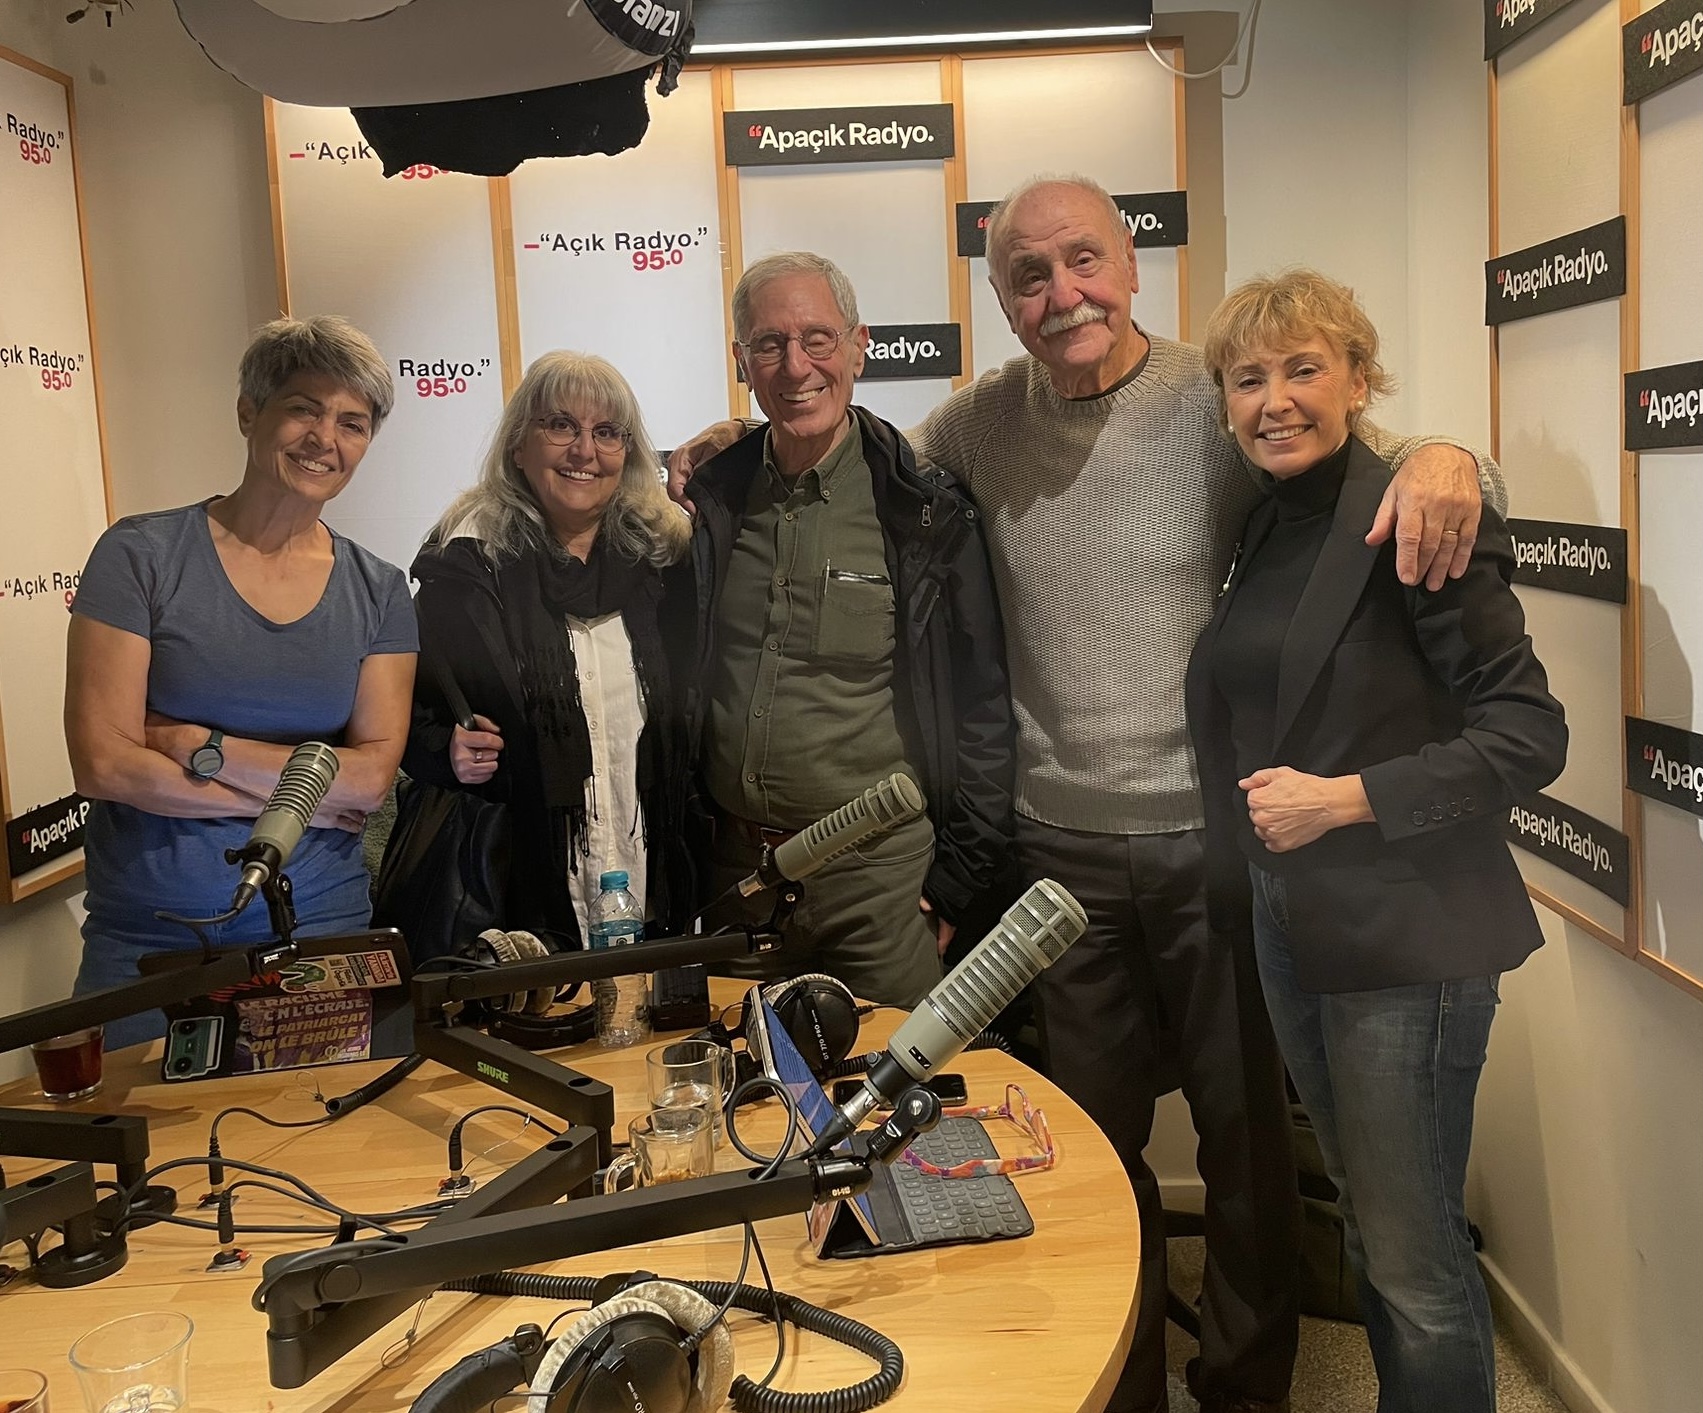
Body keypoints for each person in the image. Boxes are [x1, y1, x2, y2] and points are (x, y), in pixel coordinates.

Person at [669, 177, 1506, 1413]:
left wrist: (1448, 455)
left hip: (1214, 846)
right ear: (1000, 298)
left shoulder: (1213, 403)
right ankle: (1119, 1393)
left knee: (1246, 1152)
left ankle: (1242, 1392)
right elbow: (847, 456)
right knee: (1087, 1158)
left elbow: (1355, 460)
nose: (1061, 295)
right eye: (1028, 274)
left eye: (1082, 262)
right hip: (1054, 864)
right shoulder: (973, 427)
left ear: (1129, 264)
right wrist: (723, 450)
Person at [1187, 268, 1565, 1413]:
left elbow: (1527, 734)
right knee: (1364, 1220)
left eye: (1302, 369)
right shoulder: (1261, 519)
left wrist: (1343, 799)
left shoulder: (1418, 508)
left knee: (1410, 1258)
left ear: (1358, 379)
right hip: (1294, 922)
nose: (1273, 400)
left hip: (1408, 938)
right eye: (1246, 378)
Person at [670, 250, 1013, 1009]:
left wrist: (958, 878)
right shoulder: (710, 502)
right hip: (737, 883)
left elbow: (983, 707)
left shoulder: (922, 510)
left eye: (817, 339)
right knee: (742, 1075)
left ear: (859, 347)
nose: (796, 366)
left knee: (895, 1080)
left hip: (879, 886)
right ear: (741, 362)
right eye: (769, 344)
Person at [66, 315, 417, 1051]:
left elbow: (369, 781)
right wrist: (304, 803)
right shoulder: (139, 556)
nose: (325, 438)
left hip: (319, 937)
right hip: (149, 942)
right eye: (303, 408)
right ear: (248, 412)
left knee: (332, 1126)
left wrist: (202, 746)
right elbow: (104, 763)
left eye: (352, 423)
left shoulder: (379, 590)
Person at [404, 351, 693, 949]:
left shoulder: (664, 567)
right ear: (518, 445)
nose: (584, 451)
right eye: (561, 425)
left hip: (651, 885)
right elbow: (404, 720)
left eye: (606, 432)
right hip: (519, 897)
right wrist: (444, 751)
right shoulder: (465, 574)